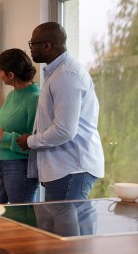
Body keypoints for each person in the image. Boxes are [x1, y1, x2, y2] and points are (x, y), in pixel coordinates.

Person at [17, 22, 105, 201]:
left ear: (47, 45)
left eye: (32, 44)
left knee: (63, 230)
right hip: (63, 169)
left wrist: (31, 141)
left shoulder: (66, 75)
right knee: (53, 228)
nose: (30, 49)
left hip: (73, 168)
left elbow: (64, 130)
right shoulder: (56, 73)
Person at [0, 48, 40, 204]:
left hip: (20, 167)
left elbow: (34, 140)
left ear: (11, 75)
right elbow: (1, 121)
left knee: (22, 217)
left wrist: (5, 136)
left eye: (0, 71)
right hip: (2, 163)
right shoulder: (13, 94)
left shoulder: (34, 98)